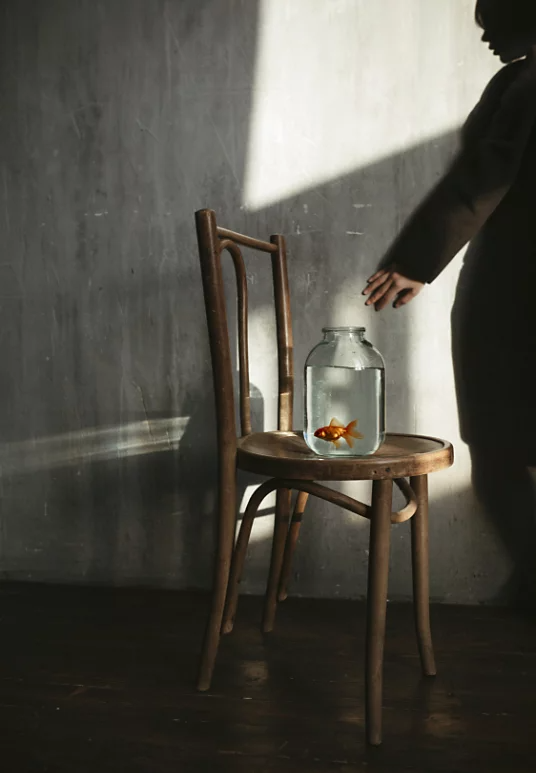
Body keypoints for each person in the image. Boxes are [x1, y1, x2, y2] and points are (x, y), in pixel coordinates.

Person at [362, 0, 536, 608]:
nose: (484, 34)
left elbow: (485, 173)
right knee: (503, 452)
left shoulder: (527, 80)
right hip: (509, 288)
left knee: (496, 453)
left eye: (492, 19)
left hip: (512, 293)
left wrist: (415, 261)